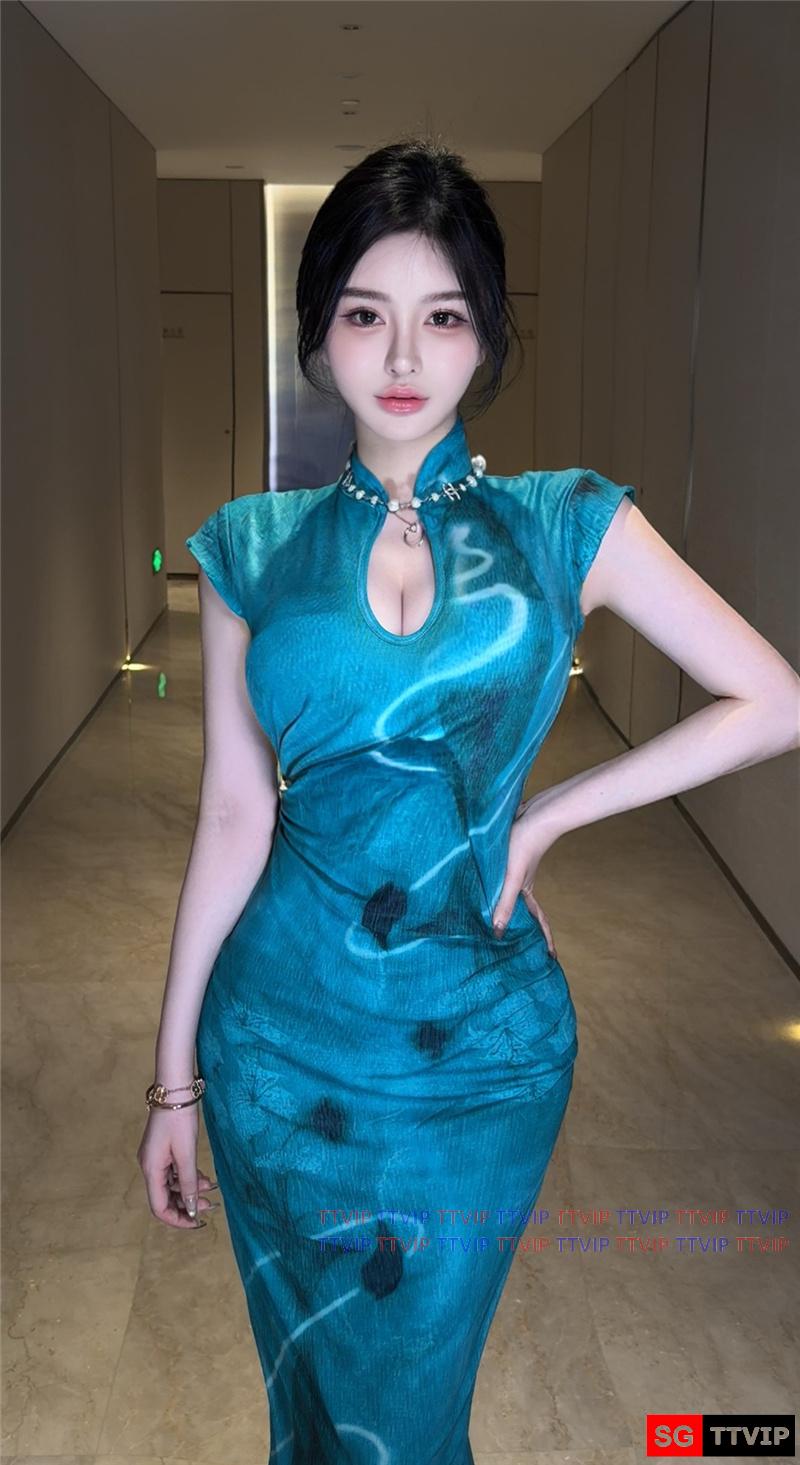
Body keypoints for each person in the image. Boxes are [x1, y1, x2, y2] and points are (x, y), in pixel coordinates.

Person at [137, 135, 800, 1463]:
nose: (401, 356)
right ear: (318, 332)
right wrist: (173, 1081)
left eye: (442, 317)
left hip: (483, 1054)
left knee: (412, 1405)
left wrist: (547, 818)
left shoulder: (564, 522)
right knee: (313, 1394)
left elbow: (772, 698)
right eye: (363, 315)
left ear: (486, 335)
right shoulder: (252, 547)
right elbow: (233, 815)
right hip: (278, 1043)